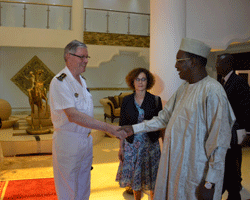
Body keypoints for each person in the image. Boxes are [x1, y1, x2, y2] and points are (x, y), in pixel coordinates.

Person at [119, 38, 236, 200]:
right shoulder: (184, 88)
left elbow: (219, 142)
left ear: (194, 62)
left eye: (179, 61)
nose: (175, 66)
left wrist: (210, 182)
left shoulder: (213, 91)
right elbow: (163, 118)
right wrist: (134, 128)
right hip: (176, 167)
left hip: (197, 174)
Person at [49, 40, 128, 200]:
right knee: (68, 189)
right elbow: (73, 115)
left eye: (87, 57)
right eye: (82, 56)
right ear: (68, 56)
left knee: (84, 187)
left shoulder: (82, 80)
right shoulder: (60, 82)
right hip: (68, 142)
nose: (86, 60)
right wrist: (108, 127)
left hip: (85, 141)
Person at [116, 68, 163, 200]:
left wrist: (164, 146)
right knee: (135, 179)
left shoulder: (155, 100)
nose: (140, 82)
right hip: (131, 145)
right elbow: (122, 126)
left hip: (150, 146)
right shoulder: (126, 100)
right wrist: (121, 147)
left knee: (152, 178)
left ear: (148, 82)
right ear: (132, 81)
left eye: (143, 79)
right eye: (137, 79)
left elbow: (160, 124)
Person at [216, 53, 250, 200]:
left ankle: (234, 190)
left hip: (236, 131)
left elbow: (247, 107)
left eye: (219, 63)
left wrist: (248, 132)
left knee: (233, 161)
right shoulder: (223, 81)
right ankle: (232, 188)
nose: (216, 66)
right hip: (226, 131)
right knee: (229, 161)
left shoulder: (238, 82)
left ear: (228, 64)